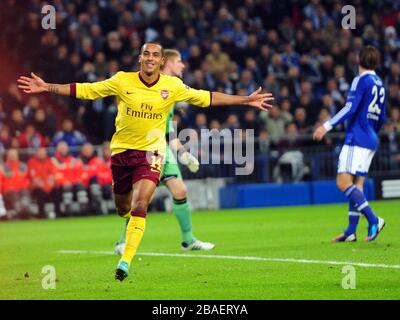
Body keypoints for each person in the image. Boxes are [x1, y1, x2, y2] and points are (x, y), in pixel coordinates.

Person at [17, 42, 273, 281]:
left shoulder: (172, 86)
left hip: (153, 153)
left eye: (155, 55)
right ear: (140, 58)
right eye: (146, 54)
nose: (150, 58)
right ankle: (130, 232)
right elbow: (87, 90)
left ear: (161, 61)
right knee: (123, 207)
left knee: (143, 201)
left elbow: (207, 97)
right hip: (122, 153)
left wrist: (246, 100)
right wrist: (48, 86)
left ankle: (126, 261)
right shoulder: (121, 80)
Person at [114, 49, 215, 255]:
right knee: (143, 199)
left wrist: (183, 154)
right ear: (168, 62)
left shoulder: (172, 88)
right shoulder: (155, 85)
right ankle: (123, 241)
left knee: (180, 191)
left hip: (163, 148)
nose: (183, 66)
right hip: (145, 147)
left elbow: (168, 127)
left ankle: (188, 240)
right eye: (180, 61)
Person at [313, 46, 386, 243]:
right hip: (371, 138)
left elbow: (350, 107)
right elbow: (382, 117)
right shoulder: (380, 83)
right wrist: (372, 133)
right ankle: (351, 231)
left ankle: (374, 219)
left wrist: (326, 126)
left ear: (358, 59)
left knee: (342, 182)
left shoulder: (360, 80)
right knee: (357, 185)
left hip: (357, 138)